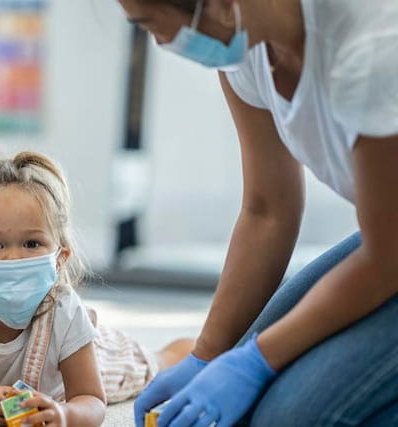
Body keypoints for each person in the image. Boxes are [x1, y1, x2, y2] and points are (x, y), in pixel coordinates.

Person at [114, 0, 398, 425]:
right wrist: (207, 354)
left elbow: (384, 262)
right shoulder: (245, 48)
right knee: (247, 399)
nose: (159, 41)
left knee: (289, 417)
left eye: (152, 25)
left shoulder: (371, 50)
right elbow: (268, 209)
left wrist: (255, 361)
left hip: (387, 252)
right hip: (387, 240)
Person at [0, 152, 193, 426]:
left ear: (59, 259)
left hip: (90, 356)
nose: (15, 258)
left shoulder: (64, 311)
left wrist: (64, 414)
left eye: (32, 243)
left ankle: (197, 349)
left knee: (153, 365)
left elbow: (92, 400)